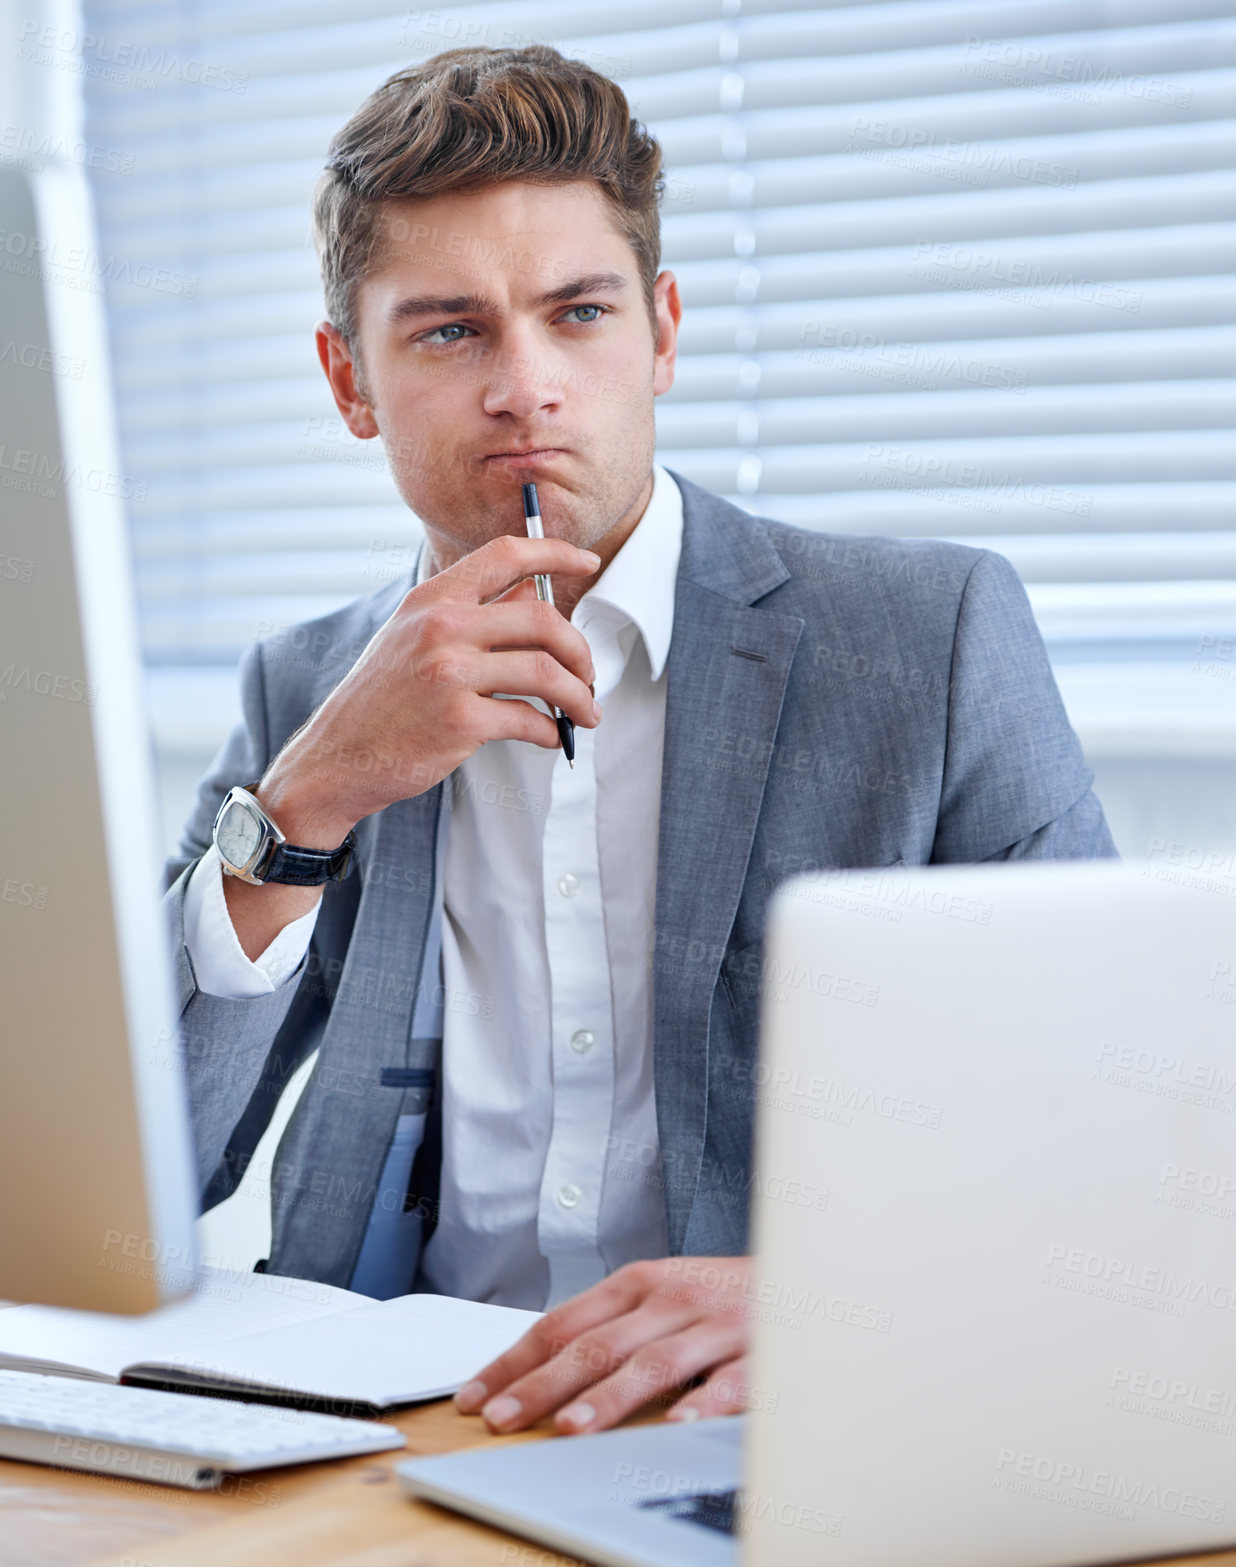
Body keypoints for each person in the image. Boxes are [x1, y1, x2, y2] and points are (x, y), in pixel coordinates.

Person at [166, 44, 1117, 1442]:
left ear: (661, 332)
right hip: (401, 1433)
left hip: (783, 1420)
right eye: (449, 331)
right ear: (347, 379)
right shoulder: (308, 689)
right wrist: (308, 798)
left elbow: (1117, 1145)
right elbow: (122, 1195)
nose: (527, 387)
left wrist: (832, 1293)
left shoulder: (934, 637)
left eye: (579, 315)